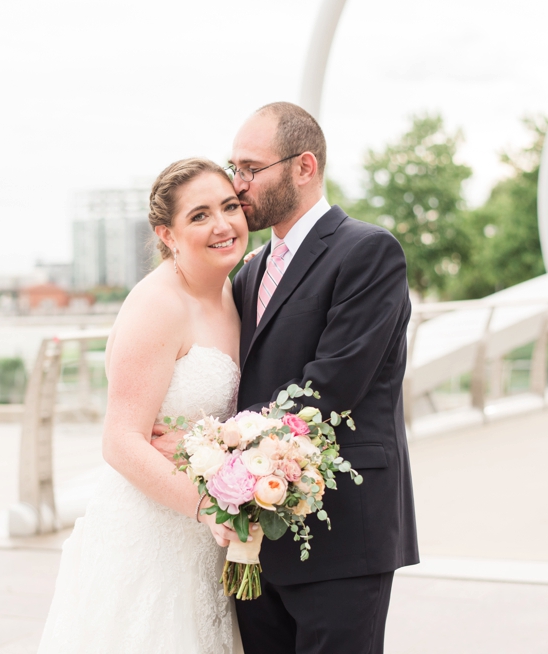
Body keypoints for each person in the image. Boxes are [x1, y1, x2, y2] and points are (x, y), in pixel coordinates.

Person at [226, 101, 419, 653]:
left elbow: (330, 387)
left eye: (250, 169)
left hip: (341, 528)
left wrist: (229, 446)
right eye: (234, 168)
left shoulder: (368, 251)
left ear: (304, 166)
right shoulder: (251, 270)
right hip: (255, 530)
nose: (238, 185)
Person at [37, 158, 249, 654]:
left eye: (230, 206)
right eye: (199, 215)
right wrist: (208, 508)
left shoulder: (231, 293)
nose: (222, 225)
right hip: (151, 532)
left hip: (203, 540)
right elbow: (120, 441)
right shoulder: (158, 304)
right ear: (167, 234)